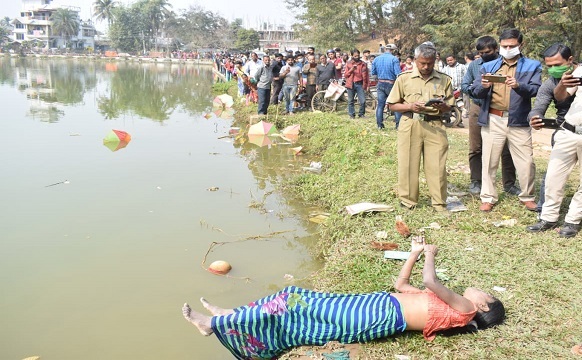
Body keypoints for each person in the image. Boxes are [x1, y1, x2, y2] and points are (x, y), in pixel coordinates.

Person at [181, 239, 505, 360]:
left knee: (294, 303)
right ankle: (230, 316)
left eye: (486, 295)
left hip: (376, 317)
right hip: (374, 304)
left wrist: (431, 255)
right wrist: (414, 253)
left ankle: (214, 324)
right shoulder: (452, 307)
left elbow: (429, 280)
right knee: (291, 299)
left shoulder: (463, 311)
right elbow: (402, 283)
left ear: (483, 307)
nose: (480, 290)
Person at [471, 28, 541, 212]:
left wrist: (519, 85)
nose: (508, 49)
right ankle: (488, 197)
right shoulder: (489, 66)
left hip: (518, 119)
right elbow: (475, 91)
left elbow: (536, 90)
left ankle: (527, 196)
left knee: (526, 161)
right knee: (489, 160)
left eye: (512, 46)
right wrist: (484, 86)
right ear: (499, 46)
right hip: (493, 118)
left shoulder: (532, 66)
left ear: (520, 44)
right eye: (504, 46)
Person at [388, 43, 454, 212]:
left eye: (430, 63)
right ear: (415, 60)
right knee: (408, 164)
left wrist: (443, 107)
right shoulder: (404, 78)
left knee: (437, 166)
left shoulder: (444, 79)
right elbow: (392, 105)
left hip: (435, 124)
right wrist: (410, 107)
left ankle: (439, 203)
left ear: (435, 61)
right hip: (411, 124)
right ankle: (408, 201)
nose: (426, 67)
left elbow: (450, 106)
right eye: (422, 63)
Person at [526, 43, 580, 237]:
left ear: (570, 59)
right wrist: (534, 117)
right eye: (549, 65)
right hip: (565, 130)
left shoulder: (579, 72)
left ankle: (573, 220)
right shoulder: (554, 81)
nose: (553, 68)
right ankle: (547, 216)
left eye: (557, 64)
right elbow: (545, 102)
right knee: (553, 177)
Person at [461, 36, 519, 196]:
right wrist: (479, 87)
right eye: (481, 53)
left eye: (487, 52)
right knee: (475, 146)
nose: (484, 55)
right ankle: (476, 181)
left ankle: (509, 184)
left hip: (500, 110)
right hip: (479, 107)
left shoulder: (506, 63)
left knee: (506, 148)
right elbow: (465, 86)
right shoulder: (474, 65)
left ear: (495, 49)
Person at [372, 43, 402, 129]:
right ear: (393, 50)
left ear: (385, 49)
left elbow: (373, 73)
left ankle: (379, 125)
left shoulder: (376, 59)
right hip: (391, 83)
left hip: (380, 83)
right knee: (395, 103)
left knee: (380, 105)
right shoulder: (394, 59)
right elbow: (398, 74)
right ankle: (398, 125)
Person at [344, 49, 370, 119]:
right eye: (355, 56)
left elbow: (367, 75)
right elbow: (345, 75)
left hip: (360, 84)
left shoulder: (363, 64)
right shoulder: (349, 63)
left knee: (363, 101)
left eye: (358, 55)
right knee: (350, 101)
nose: (357, 57)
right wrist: (351, 70)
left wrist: (368, 85)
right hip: (351, 84)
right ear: (352, 56)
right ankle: (352, 115)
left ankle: (361, 114)